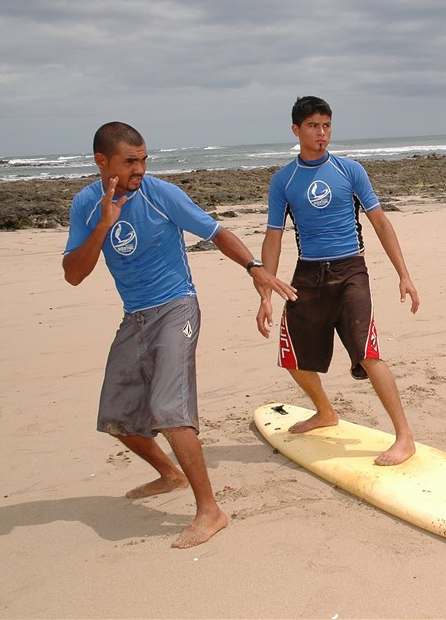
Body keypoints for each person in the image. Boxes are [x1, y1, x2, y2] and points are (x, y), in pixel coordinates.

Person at [63, 122, 297, 549]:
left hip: (176, 307)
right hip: (134, 316)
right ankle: (168, 474)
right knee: (115, 417)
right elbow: (74, 276)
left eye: (143, 158)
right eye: (130, 161)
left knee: (169, 409)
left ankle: (211, 509)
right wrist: (102, 224)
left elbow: (216, 232)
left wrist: (254, 269)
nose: (140, 168)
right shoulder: (85, 205)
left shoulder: (161, 194)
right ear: (102, 161)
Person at [255, 96, 419, 466]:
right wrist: (265, 292)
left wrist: (404, 275)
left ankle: (405, 437)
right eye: (313, 126)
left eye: (327, 125)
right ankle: (325, 411)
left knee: (367, 351)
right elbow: (274, 236)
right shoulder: (284, 180)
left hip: (350, 271)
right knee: (293, 356)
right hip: (308, 274)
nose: (322, 133)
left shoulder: (350, 171)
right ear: (296, 130)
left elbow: (380, 222)